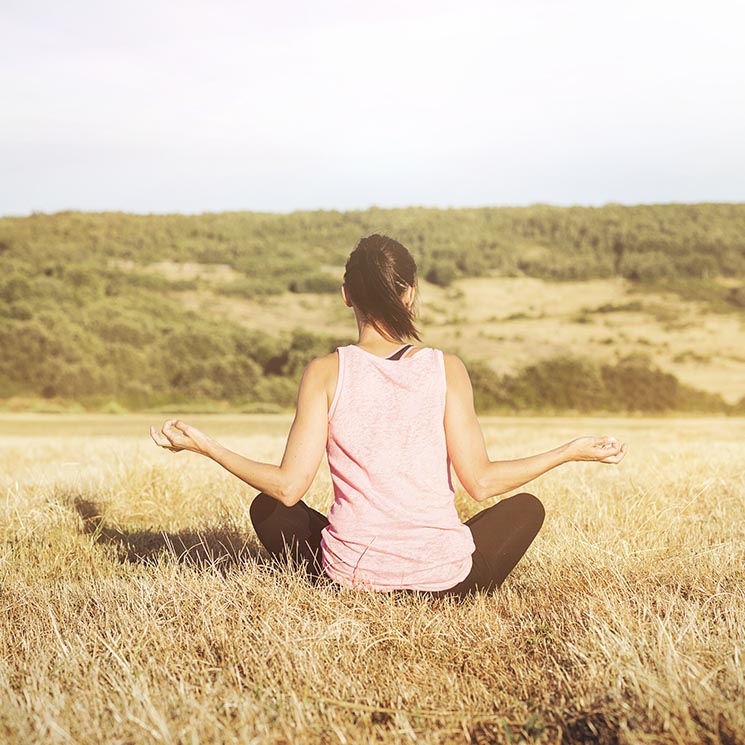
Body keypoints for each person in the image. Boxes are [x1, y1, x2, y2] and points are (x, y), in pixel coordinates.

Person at [151, 233, 627, 597]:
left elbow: (287, 488)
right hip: (446, 583)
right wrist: (568, 452)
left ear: (346, 295)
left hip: (350, 576)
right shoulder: (448, 369)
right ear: (410, 294)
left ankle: (351, 578)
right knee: (528, 508)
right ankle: (435, 575)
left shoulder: (324, 372)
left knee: (268, 508)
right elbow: (481, 484)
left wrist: (205, 446)